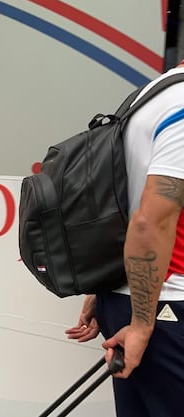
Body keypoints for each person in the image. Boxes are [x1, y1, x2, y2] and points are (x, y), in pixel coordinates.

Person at [66, 62, 184, 416]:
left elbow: (121, 200)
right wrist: (143, 324)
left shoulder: (152, 95)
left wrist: (106, 286)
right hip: (167, 306)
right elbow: (150, 221)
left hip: (131, 298)